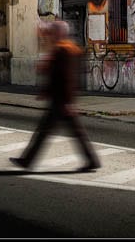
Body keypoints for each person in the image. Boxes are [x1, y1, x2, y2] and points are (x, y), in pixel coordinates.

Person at [11, 18, 101, 172]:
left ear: (58, 34)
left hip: (61, 100)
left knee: (44, 132)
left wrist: (67, 101)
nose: (50, 35)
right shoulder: (72, 49)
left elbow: (63, 77)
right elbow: (73, 76)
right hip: (63, 99)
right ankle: (91, 160)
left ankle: (27, 161)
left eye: (52, 33)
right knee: (73, 132)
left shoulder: (62, 50)